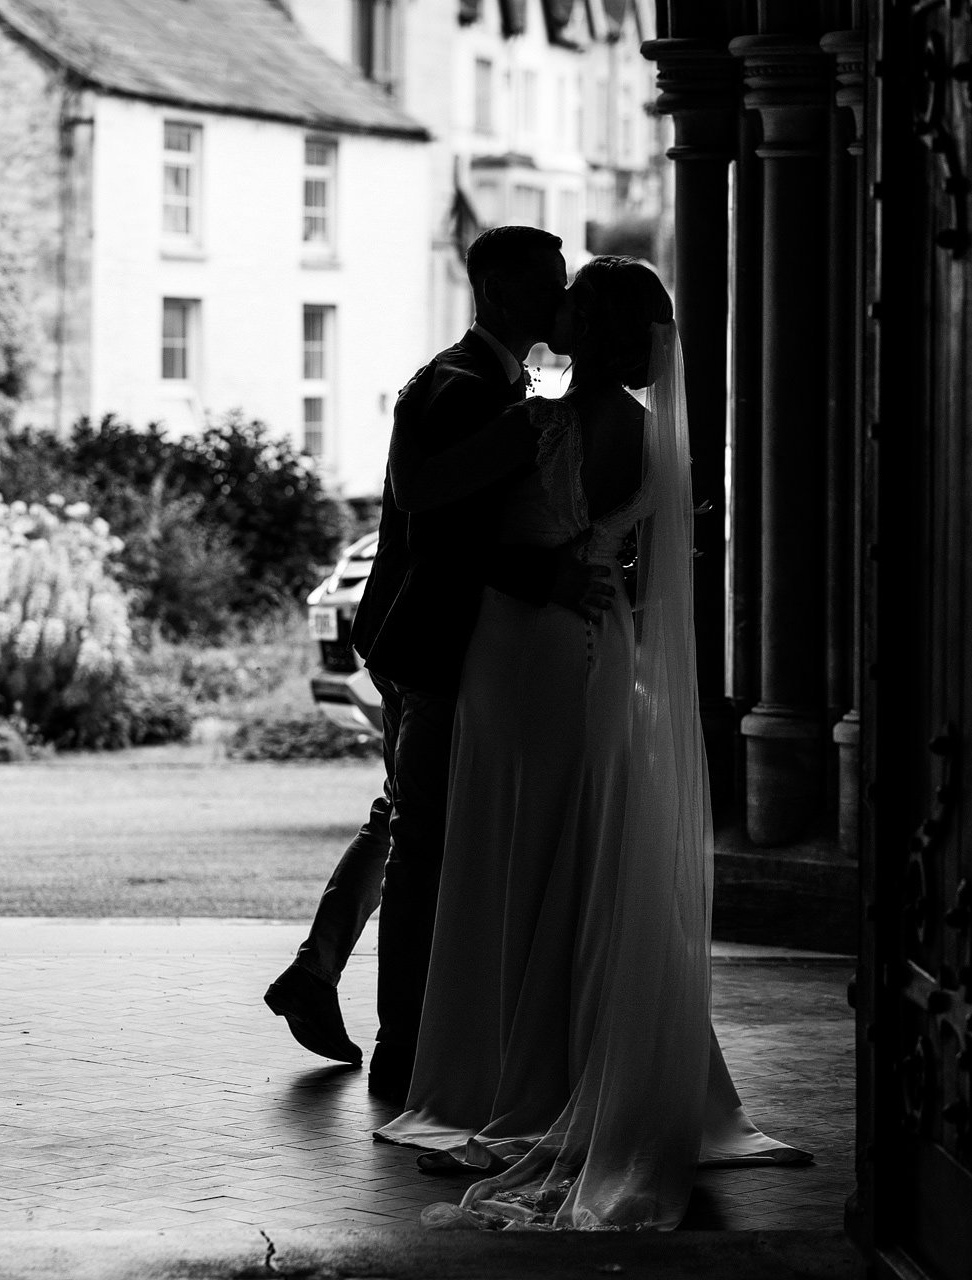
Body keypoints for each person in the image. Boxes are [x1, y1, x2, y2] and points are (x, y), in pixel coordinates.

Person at [372, 257, 807, 1229]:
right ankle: (591, 1056)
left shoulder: (549, 419)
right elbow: (655, 567)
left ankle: (505, 1073)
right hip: (599, 651)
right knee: (588, 850)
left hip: (518, 651)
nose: (555, 303)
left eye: (570, 297)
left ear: (593, 322)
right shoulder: (652, 434)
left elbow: (436, 503)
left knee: (512, 849)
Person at [263, 227, 615, 1094]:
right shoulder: (459, 387)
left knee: (409, 817)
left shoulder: (491, 381)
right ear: (495, 288)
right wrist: (552, 574)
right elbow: (439, 531)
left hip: (443, 639)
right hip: (436, 642)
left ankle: (318, 970)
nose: (560, 300)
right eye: (545, 285)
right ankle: (404, 1048)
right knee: (423, 839)